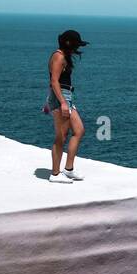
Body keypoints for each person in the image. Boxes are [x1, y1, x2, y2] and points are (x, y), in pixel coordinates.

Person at [44, 29, 89, 182]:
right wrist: (62, 102)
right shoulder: (58, 56)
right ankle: (55, 174)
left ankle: (69, 169)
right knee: (61, 137)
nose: (77, 48)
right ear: (68, 43)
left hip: (66, 96)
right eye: (76, 45)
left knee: (79, 130)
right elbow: (54, 81)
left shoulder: (64, 56)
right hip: (61, 98)